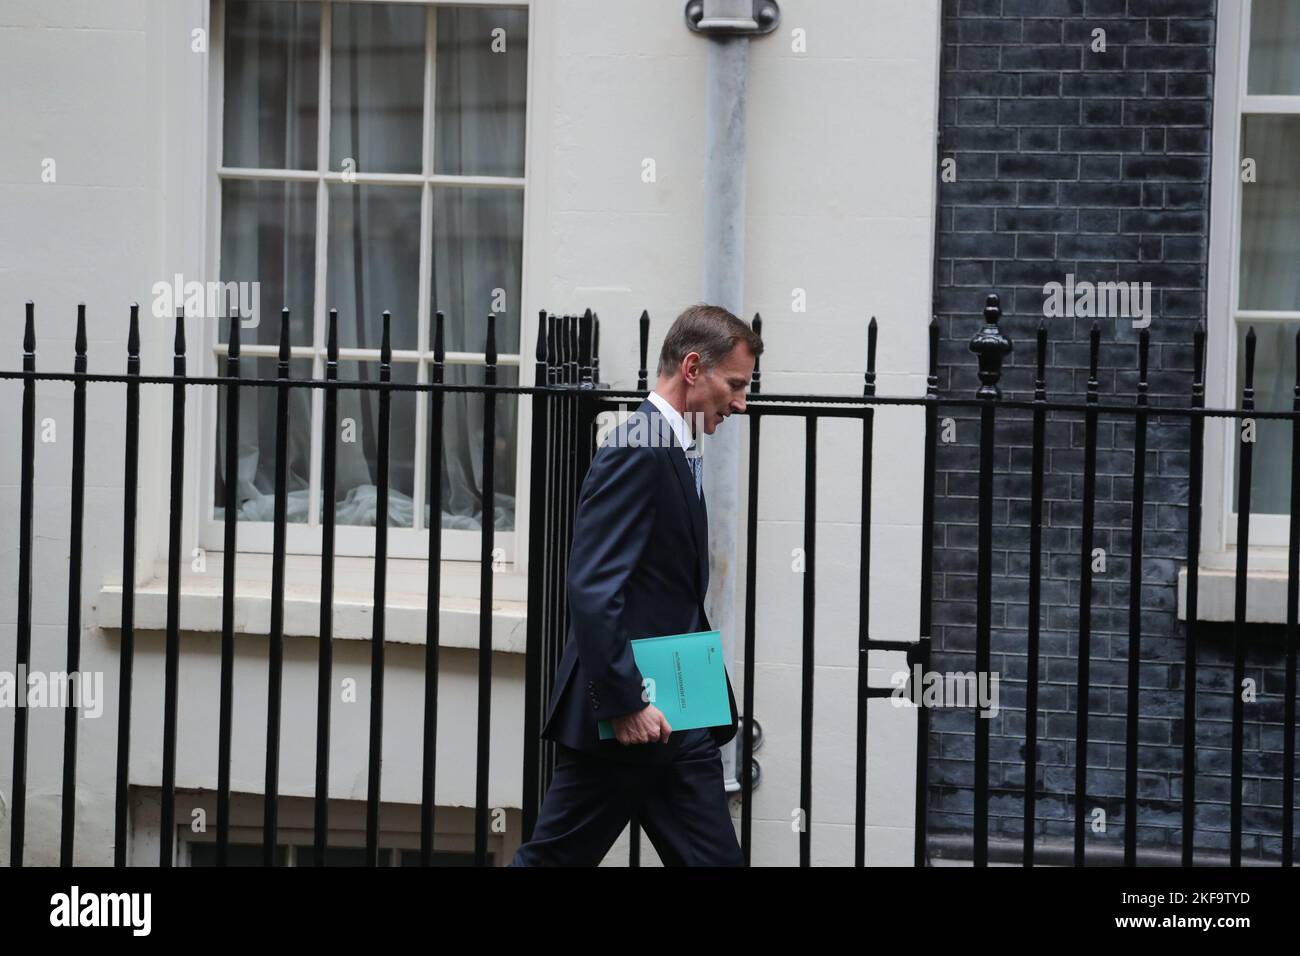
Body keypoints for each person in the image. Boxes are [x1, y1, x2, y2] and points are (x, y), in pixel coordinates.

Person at [510, 303, 763, 866]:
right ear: (694, 368)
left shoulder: (672, 446)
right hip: (631, 721)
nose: (742, 403)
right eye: (737, 385)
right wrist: (624, 702)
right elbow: (594, 587)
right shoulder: (637, 446)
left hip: (675, 716)